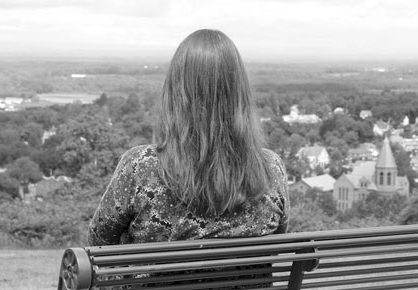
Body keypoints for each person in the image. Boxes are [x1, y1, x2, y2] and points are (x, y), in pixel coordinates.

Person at [88, 29, 289, 248]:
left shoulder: (139, 167)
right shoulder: (270, 170)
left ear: (175, 94)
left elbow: (99, 242)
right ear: (239, 94)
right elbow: (278, 237)